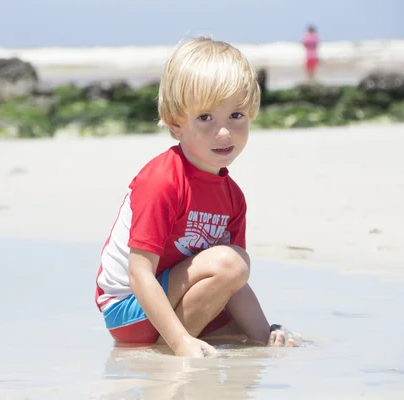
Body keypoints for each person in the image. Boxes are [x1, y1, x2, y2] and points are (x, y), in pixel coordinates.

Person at [94, 36, 296, 358]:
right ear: (176, 124)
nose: (224, 132)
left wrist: (263, 336)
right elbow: (138, 273)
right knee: (231, 261)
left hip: (175, 295)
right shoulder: (163, 180)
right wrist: (179, 342)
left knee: (240, 331)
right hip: (128, 306)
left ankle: (187, 339)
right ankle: (169, 346)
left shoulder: (233, 197)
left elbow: (233, 286)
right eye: (206, 118)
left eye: (236, 115)